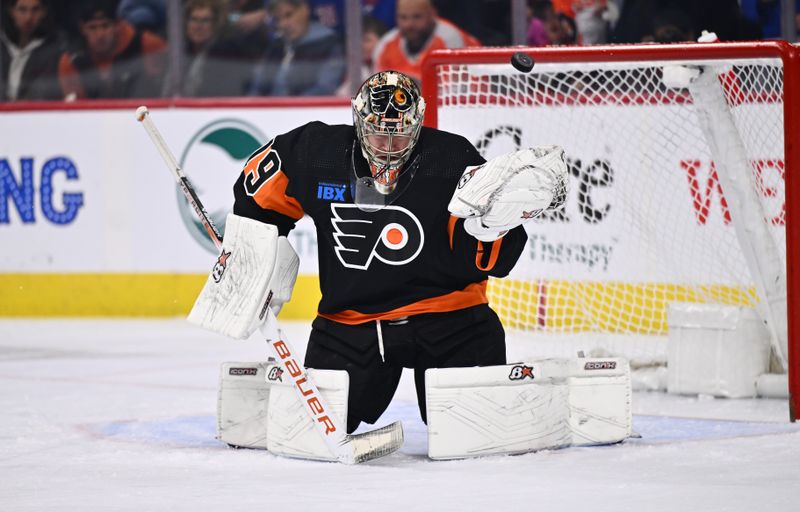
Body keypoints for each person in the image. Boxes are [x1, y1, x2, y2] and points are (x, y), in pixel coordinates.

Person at [228, 70, 568, 433]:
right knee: (300, 430)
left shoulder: (451, 159)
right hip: (352, 324)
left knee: (473, 430)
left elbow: (496, 264)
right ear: (358, 121)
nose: (389, 146)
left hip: (450, 320)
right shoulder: (315, 153)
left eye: (401, 134)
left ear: (418, 123)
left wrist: (492, 230)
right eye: (378, 133)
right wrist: (257, 254)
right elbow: (256, 196)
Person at [57, 0, 167, 100]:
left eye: (105, 26)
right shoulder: (71, 60)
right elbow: (75, 109)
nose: (100, 35)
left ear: (117, 25)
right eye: (92, 28)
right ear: (82, 28)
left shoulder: (148, 45)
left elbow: (164, 90)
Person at [248, 0, 345, 96]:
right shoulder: (278, 45)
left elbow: (324, 88)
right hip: (268, 109)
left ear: (305, 9)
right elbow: (258, 86)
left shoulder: (328, 43)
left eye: (288, 15)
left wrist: (288, 108)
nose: (283, 24)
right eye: (277, 19)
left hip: (304, 109)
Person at [372, 0, 480, 84]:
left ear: (432, 14)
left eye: (417, 17)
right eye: (403, 17)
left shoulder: (450, 40)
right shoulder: (385, 45)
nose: (409, 24)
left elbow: (457, 89)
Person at [180, 0, 251, 97]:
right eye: (194, 19)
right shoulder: (181, 51)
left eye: (205, 20)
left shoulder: (225, 54)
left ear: (216, 24)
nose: (198, 26)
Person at [0, 0, 64, 101]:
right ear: (11, 11)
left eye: (35, 10)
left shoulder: (56, 49)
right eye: (22, 10)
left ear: (44, 12)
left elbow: (44, 93)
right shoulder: (3, 45)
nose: (28, 17)